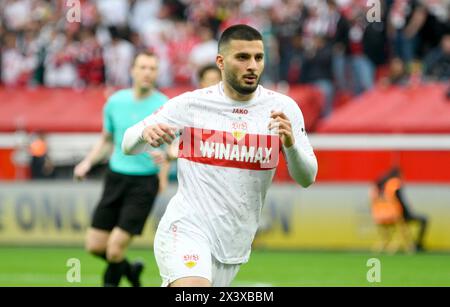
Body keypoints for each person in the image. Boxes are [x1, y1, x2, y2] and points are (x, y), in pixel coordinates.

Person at [122, 24, 318, 287]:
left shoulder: (283, 109)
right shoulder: (191, 104)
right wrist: (145, 134)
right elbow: (127, 143)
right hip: (187, 227)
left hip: (234, 241)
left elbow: (307, 177)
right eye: (242, 57)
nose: (252, 65)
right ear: (221, 62)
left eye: (258, 58)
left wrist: (291, 145)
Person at [73, 51, 169, 287]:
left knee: (114, 250)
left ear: (157, 73)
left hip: (144, 182)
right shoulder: (115, 102)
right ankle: (131, 271)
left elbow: (170, 147)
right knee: (95, 246)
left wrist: (163, 176)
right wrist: (87, 162)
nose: (148, 73)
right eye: (143, 67)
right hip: (115, 177)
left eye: (152, 68)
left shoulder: (165, 105)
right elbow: (107, 139)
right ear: (133, 71)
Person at [370, 167, 428, 253]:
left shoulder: (377, 188)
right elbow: (400, 201)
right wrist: (407, 213)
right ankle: (417, 245)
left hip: (379, 216)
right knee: (424, 220)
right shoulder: (394, 184)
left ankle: (385, 243)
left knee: (390, 232)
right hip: (395, 215)